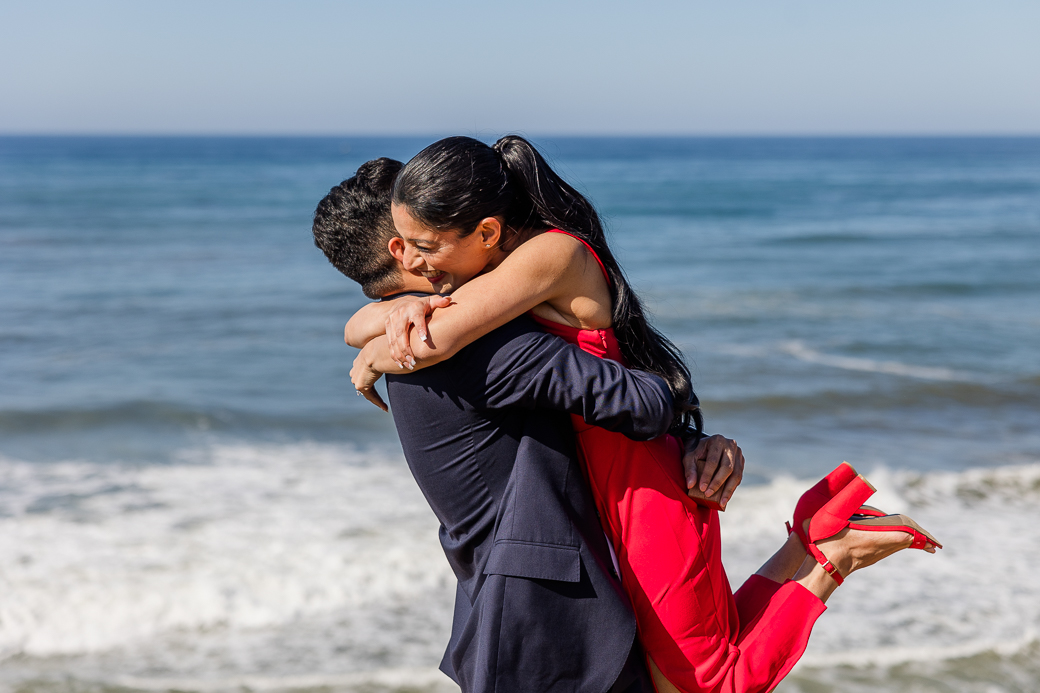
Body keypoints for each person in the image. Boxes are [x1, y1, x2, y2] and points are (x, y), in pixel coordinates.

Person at [346, 136, 942, 693]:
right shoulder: (514, 265)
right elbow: (435, 316)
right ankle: (811, 535)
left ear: (487, 229)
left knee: (706, 681)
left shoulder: (548, 254)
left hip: (636, 479)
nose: (420, 265)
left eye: (425, 247)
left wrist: (376, 346)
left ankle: (832, 559)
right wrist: (380, 319)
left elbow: (439, 335)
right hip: (611, 480)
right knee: (681, 663)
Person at [313, 158, 743, 692]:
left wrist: (374, 340)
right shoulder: (478, 343)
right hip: (559, 628)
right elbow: (641, 402)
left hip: (508, 616)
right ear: (404, 248)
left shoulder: (418, 339)